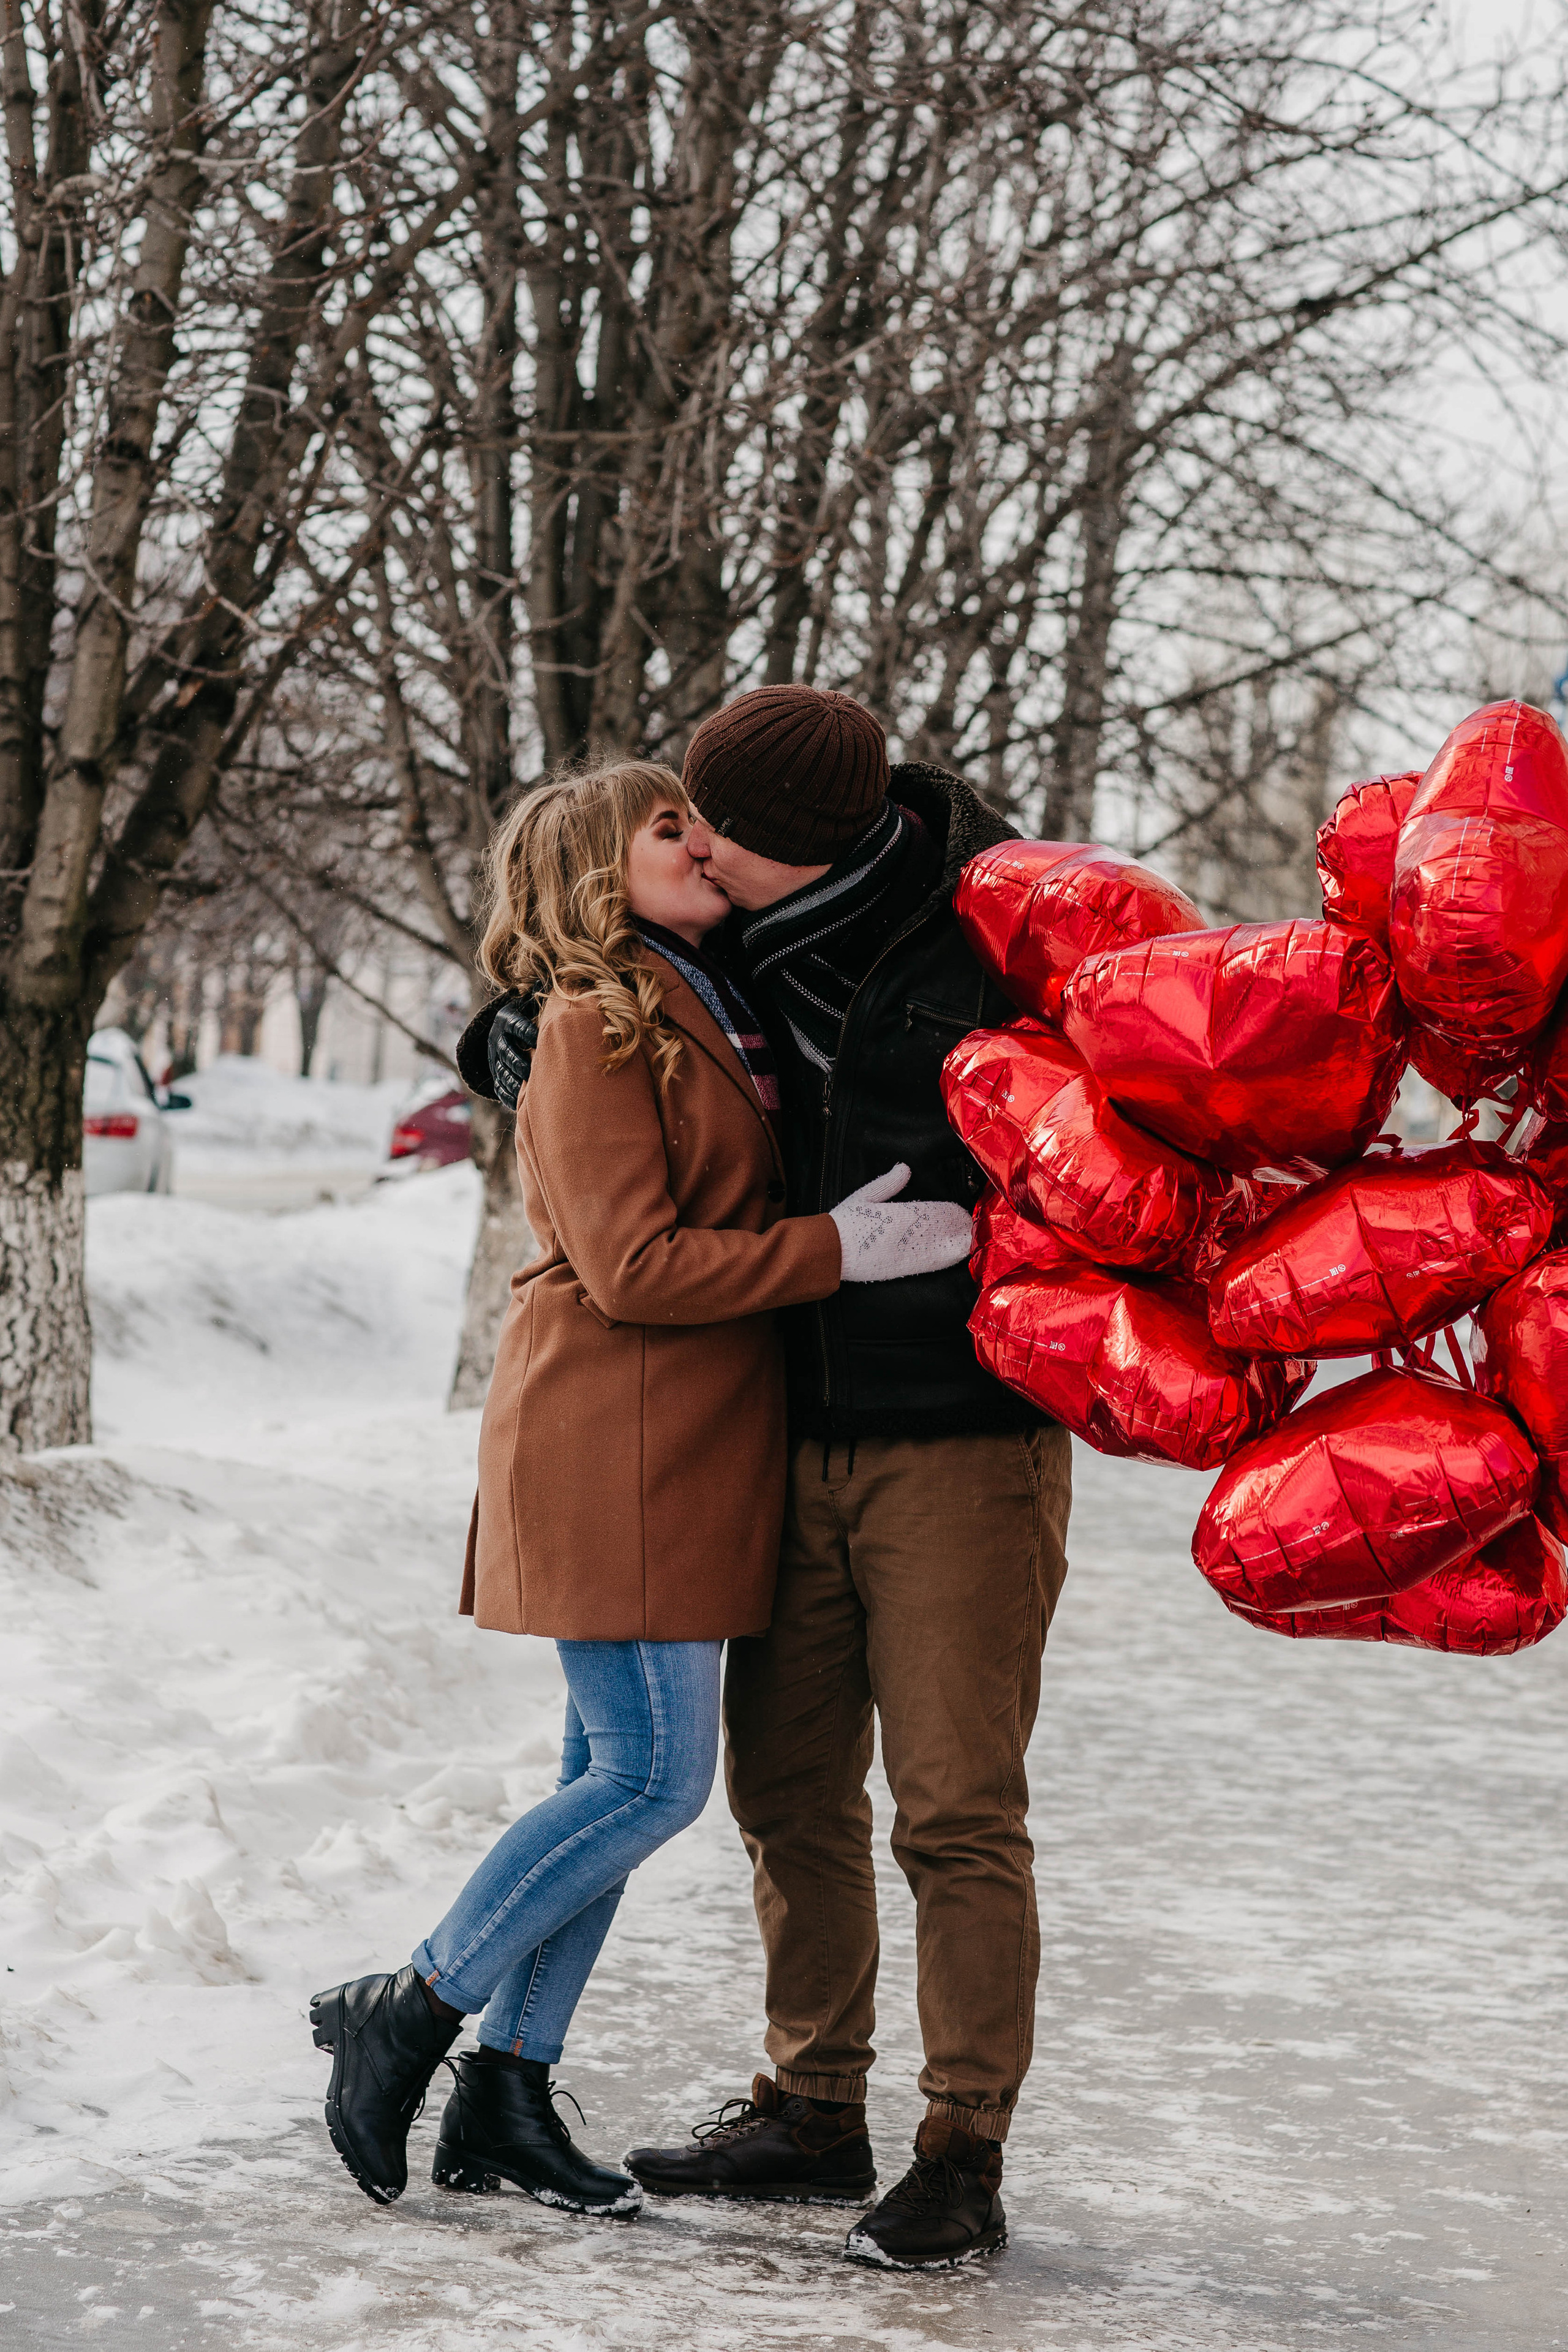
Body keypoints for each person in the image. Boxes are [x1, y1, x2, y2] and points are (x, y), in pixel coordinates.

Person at [307, 758, 973, 2217]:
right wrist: (831, 1252)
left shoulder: (703, 992)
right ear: (600, 869)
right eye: (670, 824)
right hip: (617, 1433)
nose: (704, 840)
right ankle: (413, 2008)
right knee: (646, 1782)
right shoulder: (591, 1020)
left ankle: (504, 2092)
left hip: (681, 1437)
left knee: (598, 1780)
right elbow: (631, 1266)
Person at [617, 688, 1074, 2270]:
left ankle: (963, 2148)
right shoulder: (719, 928)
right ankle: (814, 2109)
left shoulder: (992, 935)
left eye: (719, 837)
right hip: (774, 1425)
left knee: (955, 1809)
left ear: (801, 847)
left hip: (964, 1433)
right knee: (788, 1790)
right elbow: (585, 1022)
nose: (696, 854)